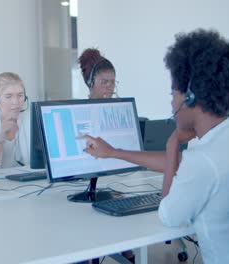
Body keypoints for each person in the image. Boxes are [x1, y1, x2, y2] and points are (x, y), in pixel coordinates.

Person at [80, 29, 229, 264]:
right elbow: (185, 166)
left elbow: (167, 215)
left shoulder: (203, 160)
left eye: (173, 94)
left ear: (190, 99)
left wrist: (173, 142)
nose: (171, 102)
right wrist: (113, 152)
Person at [79, 48, 135, 263]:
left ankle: (124, 246)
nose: (110, 88)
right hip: (85, 182)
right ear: (91, 83)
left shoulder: (119, 112)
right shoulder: (78, 112)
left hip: (117, 182)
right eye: (105, 82)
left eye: (113, 82)